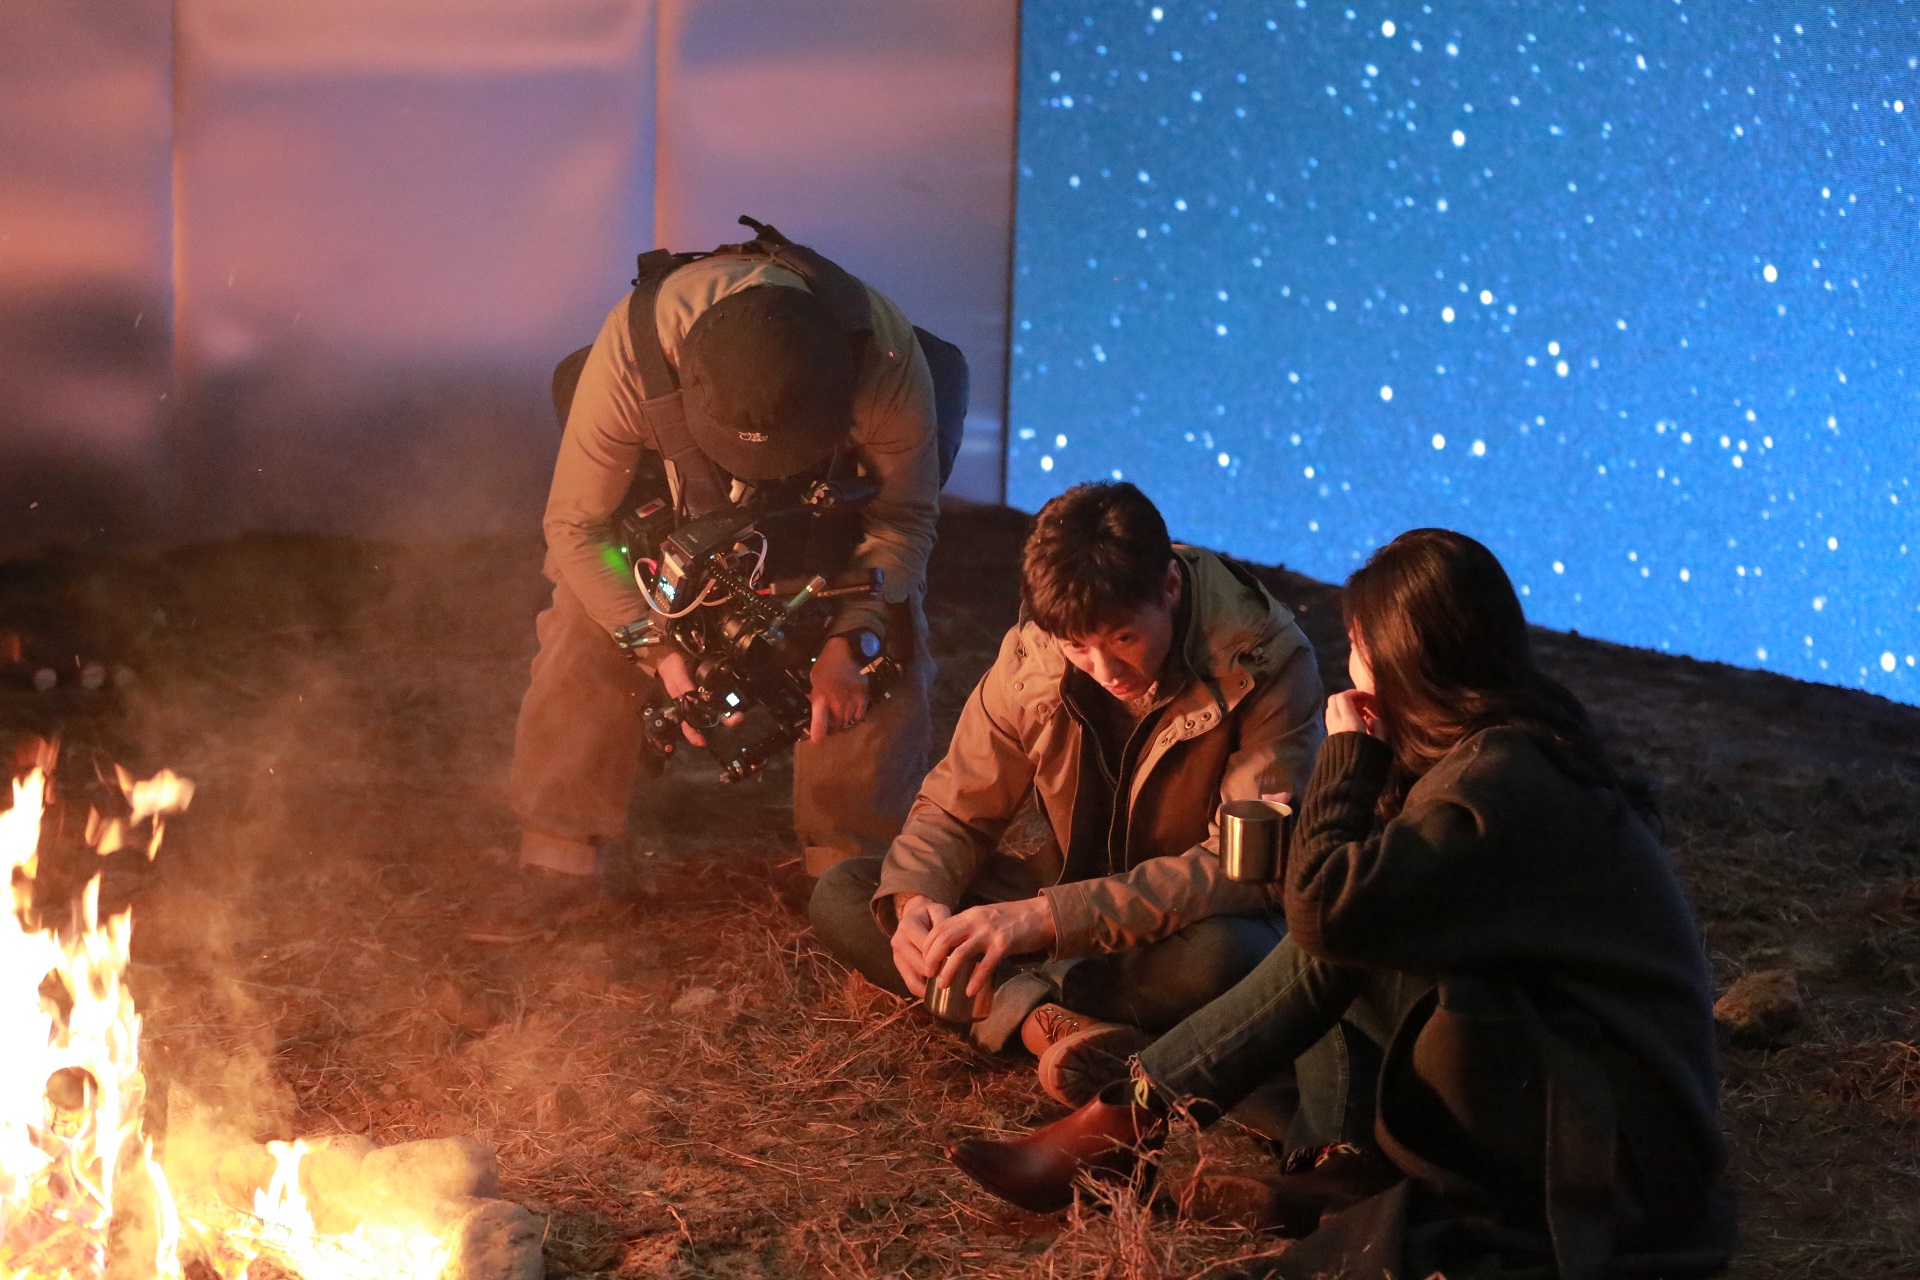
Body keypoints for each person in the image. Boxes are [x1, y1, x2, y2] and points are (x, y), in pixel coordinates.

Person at [949, 528, 1735, 1280]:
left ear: (1407, 660)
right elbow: (1364, 895)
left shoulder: (1500, 782)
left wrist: (1349, 760)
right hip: (1578, 1078)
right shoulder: (1500, 746)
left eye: (1359, 647)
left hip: (1607, 1137)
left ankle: (1127, 1117)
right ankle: (1327, 1163)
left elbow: (1327, 913)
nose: (1350, 668)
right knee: (1340, 934)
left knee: (1331, 935)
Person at [809, 481, 1325, 1105]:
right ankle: (1046, 1025)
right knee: (849, 893)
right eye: (1078, 647)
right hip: (1071, 905)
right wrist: (918, 901)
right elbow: (954, 806)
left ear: (1169, 587)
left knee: (1230, 959)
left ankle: (1007, 996)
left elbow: (1244, 872)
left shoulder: (1261, 662)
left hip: (1184, 923)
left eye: (1124, 640)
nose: (1106, 672)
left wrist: (1044, 921)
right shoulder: (1035, 654)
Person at [508, 220, 953, 909]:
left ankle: (851, 877)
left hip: (820, 539)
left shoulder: (888, 365)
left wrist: (851, 637)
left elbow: (902, 521)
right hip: (673, 528)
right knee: (583, 617)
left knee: (883, 652)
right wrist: (654, 647)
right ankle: (557, 860)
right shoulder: (633, 353)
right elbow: (574, 525)